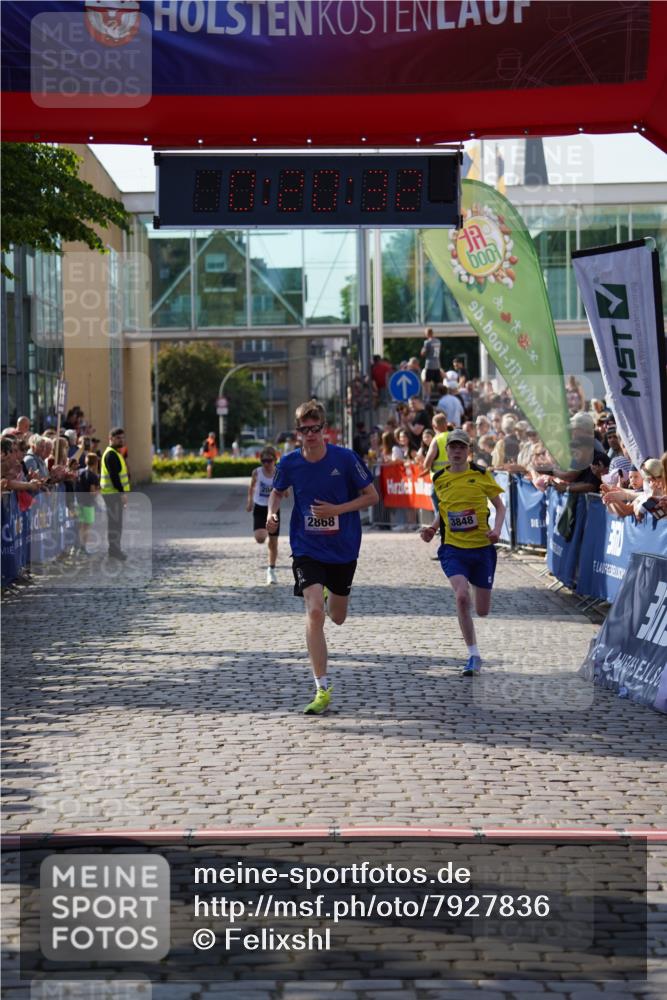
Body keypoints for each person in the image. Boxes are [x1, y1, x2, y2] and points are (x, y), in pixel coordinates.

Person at [266, 399, 378, 714]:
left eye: (316, 429)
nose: (311, 435)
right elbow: (276, 491)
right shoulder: (289, 463)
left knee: (337, 617)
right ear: (298, 432)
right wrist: (271, 515)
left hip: (343, 548)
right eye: (305, 430)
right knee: (314, 612)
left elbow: (372, 496)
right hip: (306, 548)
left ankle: (331, 592)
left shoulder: (345, 459)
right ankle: (321, 687)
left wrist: (336, 510)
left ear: (324, 429)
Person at [419, 429, 505, 676]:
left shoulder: (481, 474)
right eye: (453, 447)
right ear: (447, 451)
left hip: (482, 548)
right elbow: (443, 509)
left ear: (468, 451)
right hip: (453, 548)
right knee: (461, 596)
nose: (457, 451)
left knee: (482, 610)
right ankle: (473, 655)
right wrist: (432, 528)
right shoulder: (439, 478)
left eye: (461, 447)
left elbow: (500, 507)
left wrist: (497, 530)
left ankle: (479, 585)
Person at [247, 446, 280, 584]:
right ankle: (265, 529)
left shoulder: (278, 473)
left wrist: (283, 491)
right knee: (260, 538)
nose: (266, 464)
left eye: (269, 461)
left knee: (273, 541)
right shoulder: (257, 472)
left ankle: (271, 570)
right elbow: (252, 487)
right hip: (260, 507)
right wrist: (249, 502)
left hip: (273, 508)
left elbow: (286, 492)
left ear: (275, 460)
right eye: (263, 461)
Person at [100, 427, 130, 561]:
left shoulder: (115, 453)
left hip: (113, 493)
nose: (121, 440)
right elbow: (114, 476)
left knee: (116, 523)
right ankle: (114, 549)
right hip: (113, 494)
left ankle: (114, 549)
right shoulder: (111, 454)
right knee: (115, 523)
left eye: (123, 437)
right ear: (110, 439)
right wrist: (122, 493)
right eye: (118, 438)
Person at [76, 452, 100, 554]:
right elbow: (92, 492)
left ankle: (77, 545)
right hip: (88, 503)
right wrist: (99, 490)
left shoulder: (79, 472)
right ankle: (83, 547)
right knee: (86, 526)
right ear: (95, 463)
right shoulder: (93, 476)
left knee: (79, 526)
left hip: (79, 502)